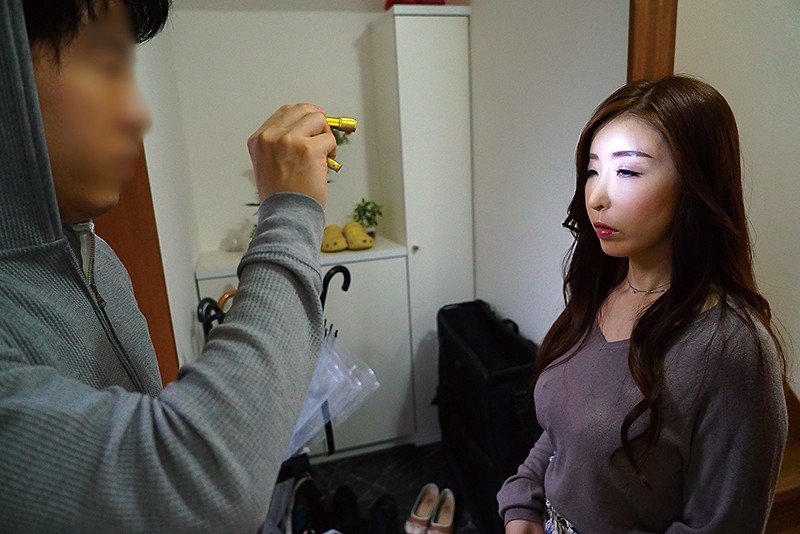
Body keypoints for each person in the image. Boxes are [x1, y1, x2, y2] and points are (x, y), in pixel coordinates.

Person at [0, 0, 337, 531]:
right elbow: (198, 485)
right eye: (106, 66)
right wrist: (291, 210)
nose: (138, 116)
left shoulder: (102, 261)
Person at [497, 75, 788, 533]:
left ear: (695, 184)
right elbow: (562, 433)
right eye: (592, 170)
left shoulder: (731, 349)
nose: (597, 197)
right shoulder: (601, 290)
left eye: (628, 172)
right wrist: (523, 504)